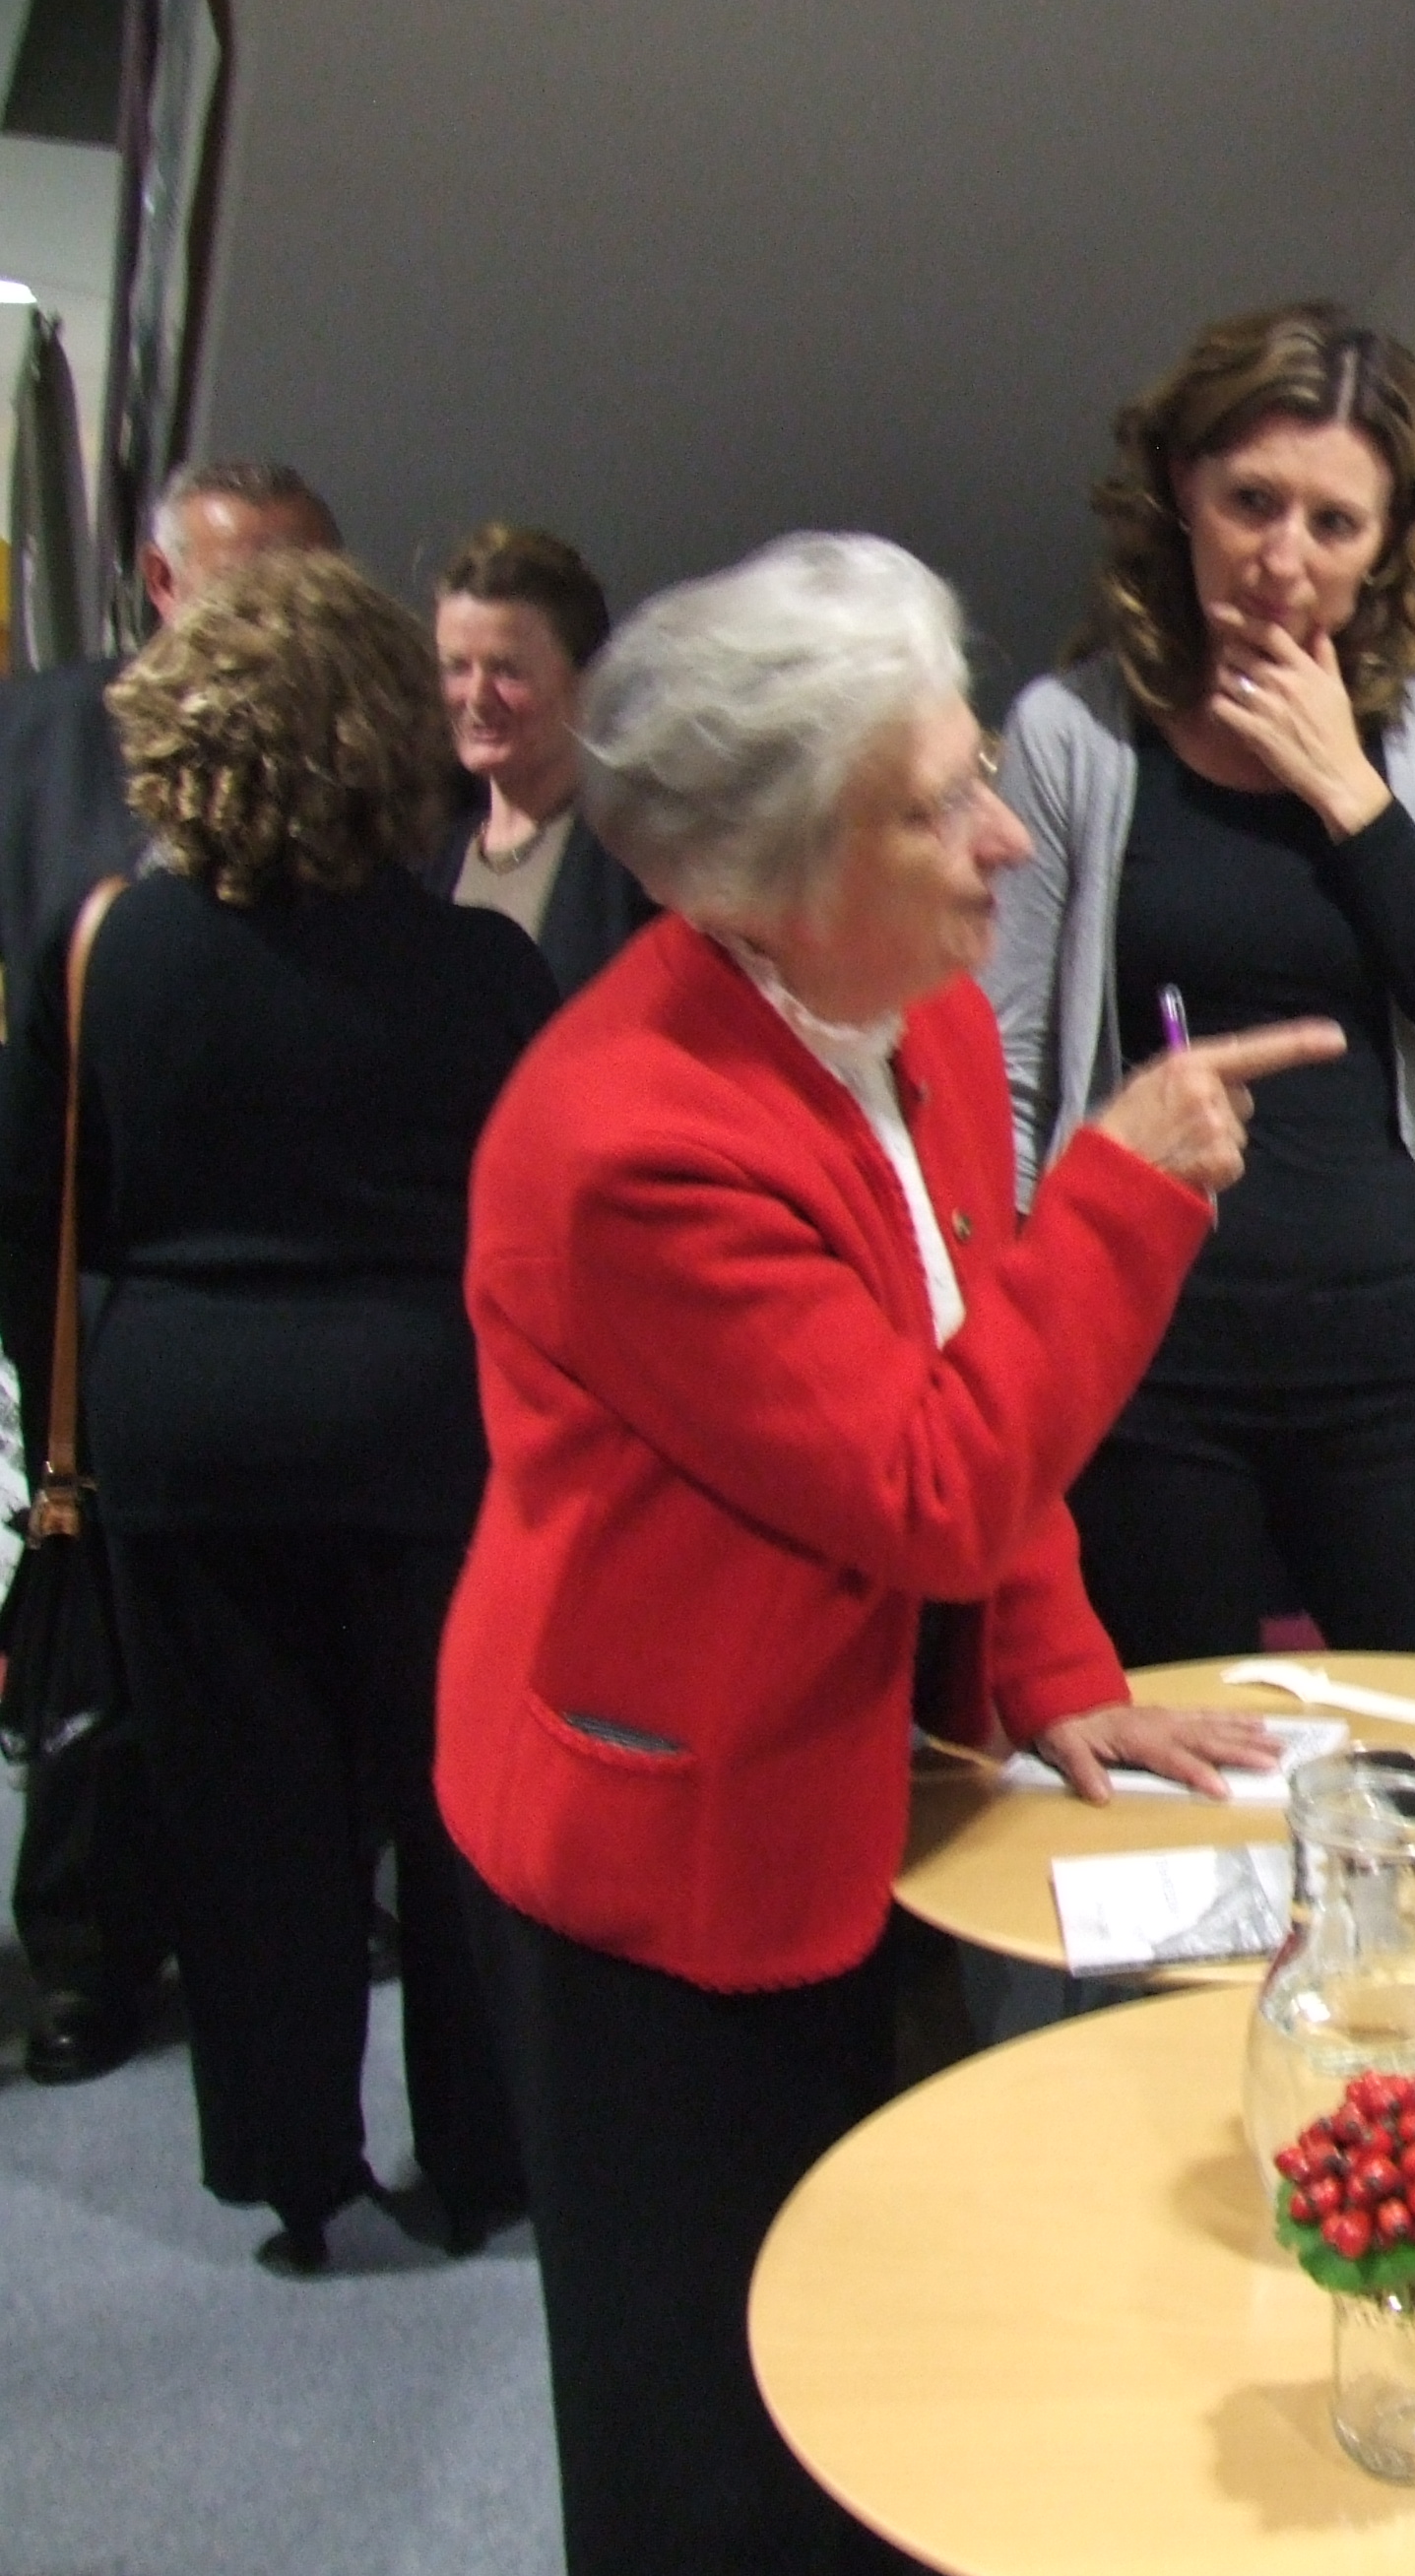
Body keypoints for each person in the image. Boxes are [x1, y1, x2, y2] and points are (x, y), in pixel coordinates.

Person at [436, 533, 1339, 2576]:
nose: (1004, 839)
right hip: (655, 1843)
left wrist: (1056, 1668)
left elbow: (968, 1348)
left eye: (978, 776)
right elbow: (926, 1471)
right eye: (934, 809)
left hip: (862, 1774)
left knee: (889, 2357)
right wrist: (1126, 1193)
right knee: (702, 2416)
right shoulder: (628, 1139)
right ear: (757, 878)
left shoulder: (906, 1016)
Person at [0, 549, 551, 2269]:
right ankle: (486, 2153)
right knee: (458, 1819)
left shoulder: (106, 951)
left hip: (184, 1430)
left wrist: (72, 1412)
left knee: (247, 1825)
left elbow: (40, 1208)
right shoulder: (483, 970)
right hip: (428, 1431)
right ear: (392, 738)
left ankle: (293, 2170)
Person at [985, 301, 1415, 1667]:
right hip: (1151, 1371)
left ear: (1389, 544)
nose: (1282, 559)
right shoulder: (1075, 733)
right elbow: (1011, 1079)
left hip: (1385, 1358)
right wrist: (1008, 1359)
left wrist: (1349, 794)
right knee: (1172, 1767)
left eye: (1334, 523)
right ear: (1181, 488)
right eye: (1251, 502)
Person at [0, 455, 340, 2088]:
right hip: (82, 1238)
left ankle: (277, 1929)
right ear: (159, 585)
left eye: (304, 576)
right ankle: (86, 1944)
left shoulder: (358, 754)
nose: (277, 606)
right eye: (246, 572)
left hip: (286, 1253)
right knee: (101, 1614)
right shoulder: (41, 740)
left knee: (274, 1638)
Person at [418, 521, 655, 993]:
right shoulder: (429, 855)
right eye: (457, 668)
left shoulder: (638, 863)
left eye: (507, 670)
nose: (477, 698)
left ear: (587, 681)